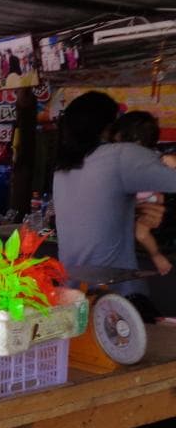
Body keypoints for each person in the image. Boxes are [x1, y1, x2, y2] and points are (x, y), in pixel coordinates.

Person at [53, 91, 176, 298]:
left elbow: (92, 210)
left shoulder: (63, 166)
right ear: (109, 126)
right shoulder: (120, 155)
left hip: (71, 288)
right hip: (113, 290)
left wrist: (130, 211)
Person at [110, 111, 176, 275]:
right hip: (138, 199)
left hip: (149, 199)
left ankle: (157, 257)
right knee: (139, 233)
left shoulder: (155, 157)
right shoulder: (125, 158)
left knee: (141, 233)